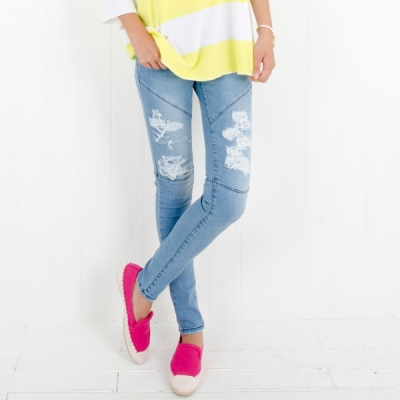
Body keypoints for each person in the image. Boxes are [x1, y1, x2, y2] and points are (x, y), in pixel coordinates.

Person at [102, 0, 275, 395]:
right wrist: (134, 30)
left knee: (229, 199)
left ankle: (142, 287)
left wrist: (265, 29)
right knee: (174, 187)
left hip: (229, 48)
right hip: (160, 48)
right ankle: (191, 332)